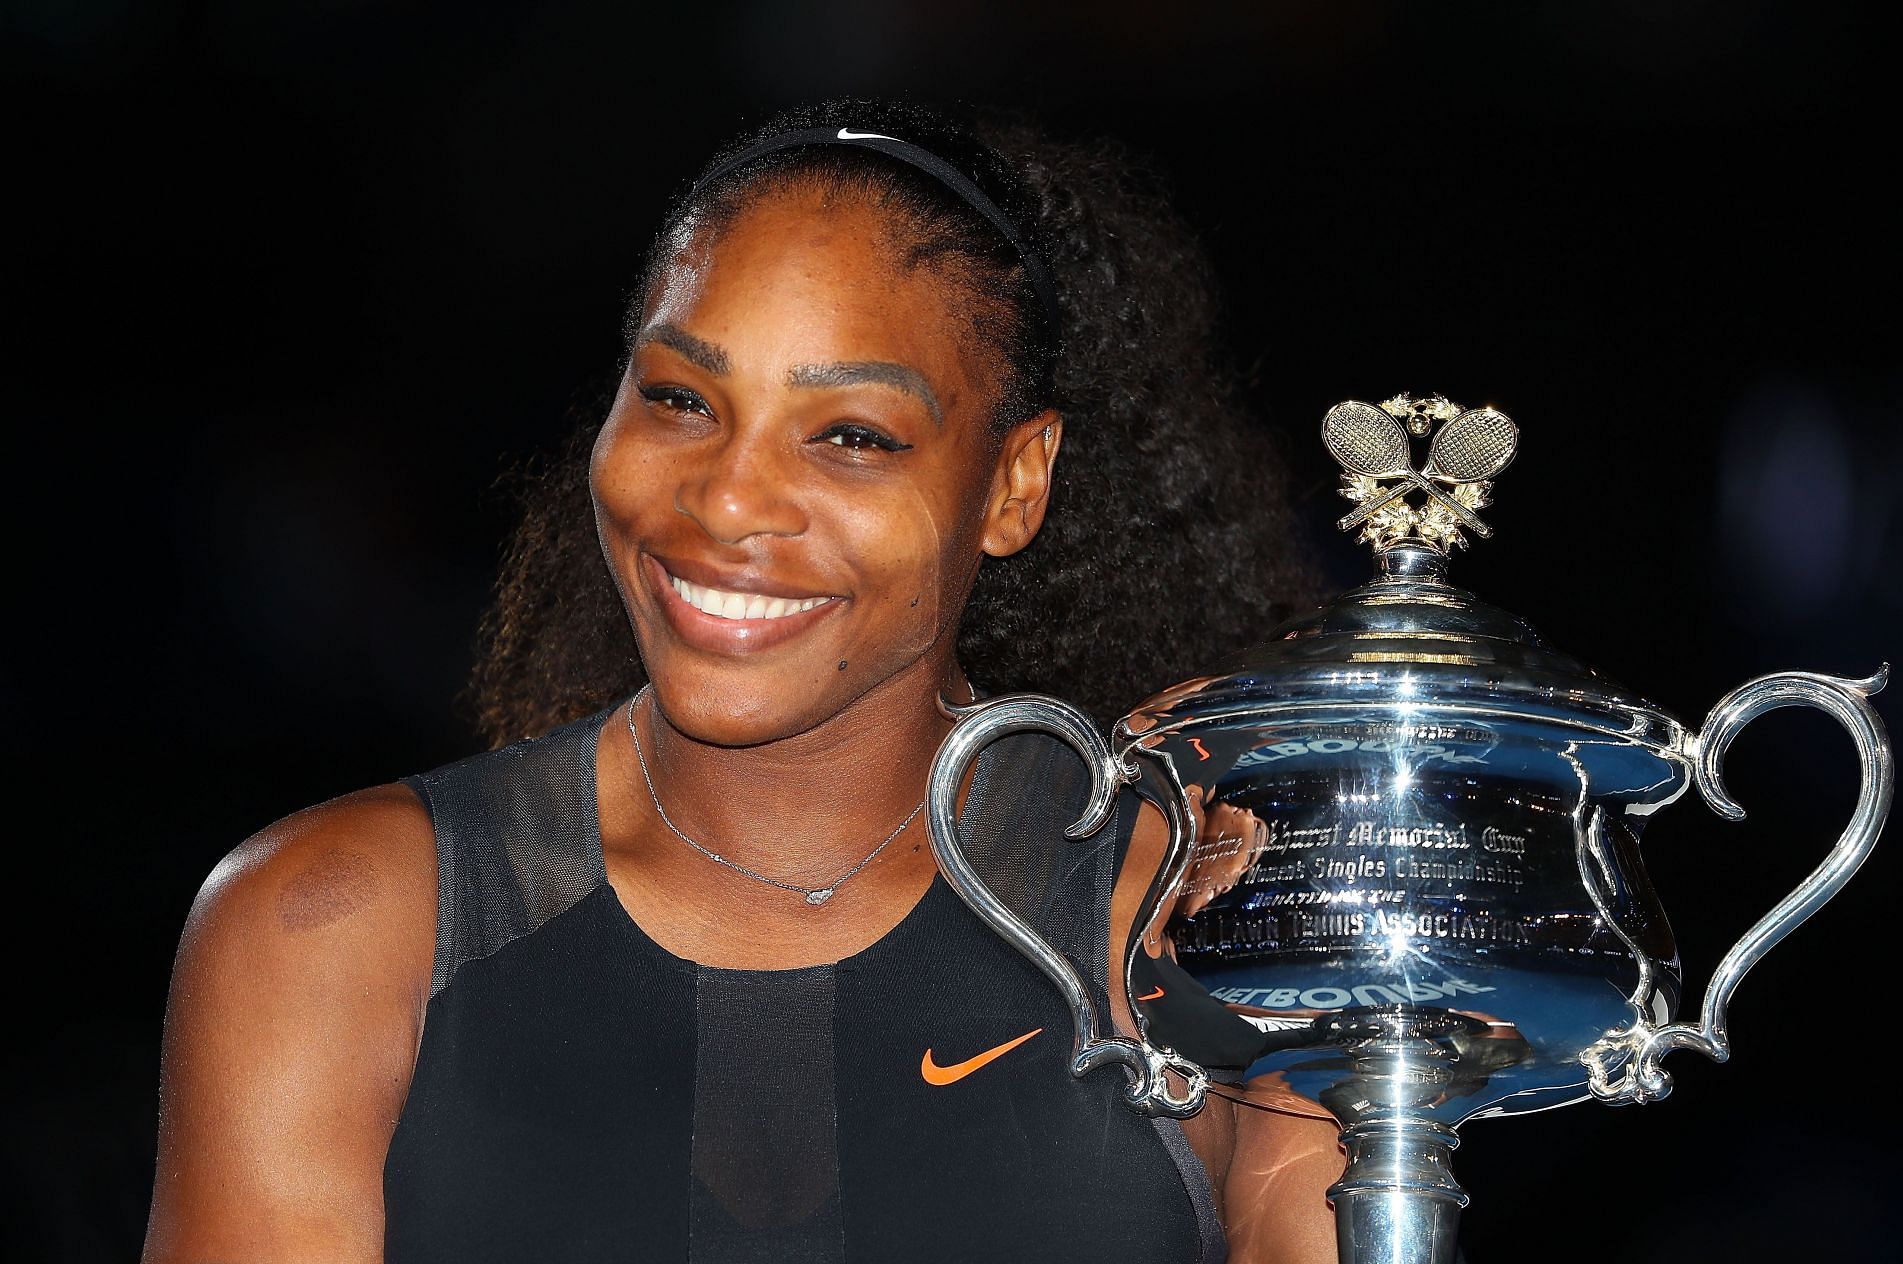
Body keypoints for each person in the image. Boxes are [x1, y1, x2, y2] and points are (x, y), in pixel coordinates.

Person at [142, 100, 1340, 1263]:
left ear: (1016, 484)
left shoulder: (1201, 927)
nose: (724, 499)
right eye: (680, 400)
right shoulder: (329, 928)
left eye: (852, 435)